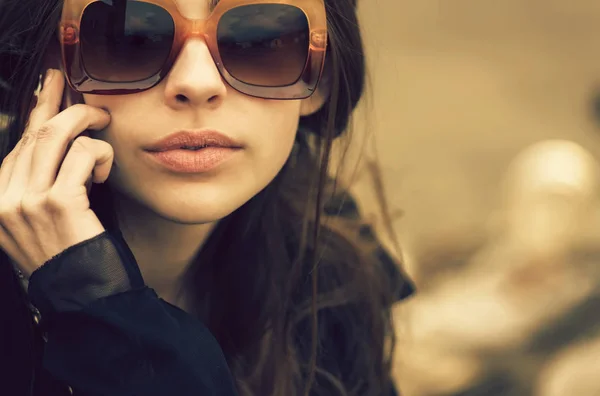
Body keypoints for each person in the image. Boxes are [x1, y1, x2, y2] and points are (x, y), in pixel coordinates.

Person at [0, 0, 414, 395]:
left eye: (259, 40)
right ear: (47, 69)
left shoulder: (330, 259)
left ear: (320, 79)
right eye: (129, 38)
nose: (197, 85)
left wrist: (105, 312)